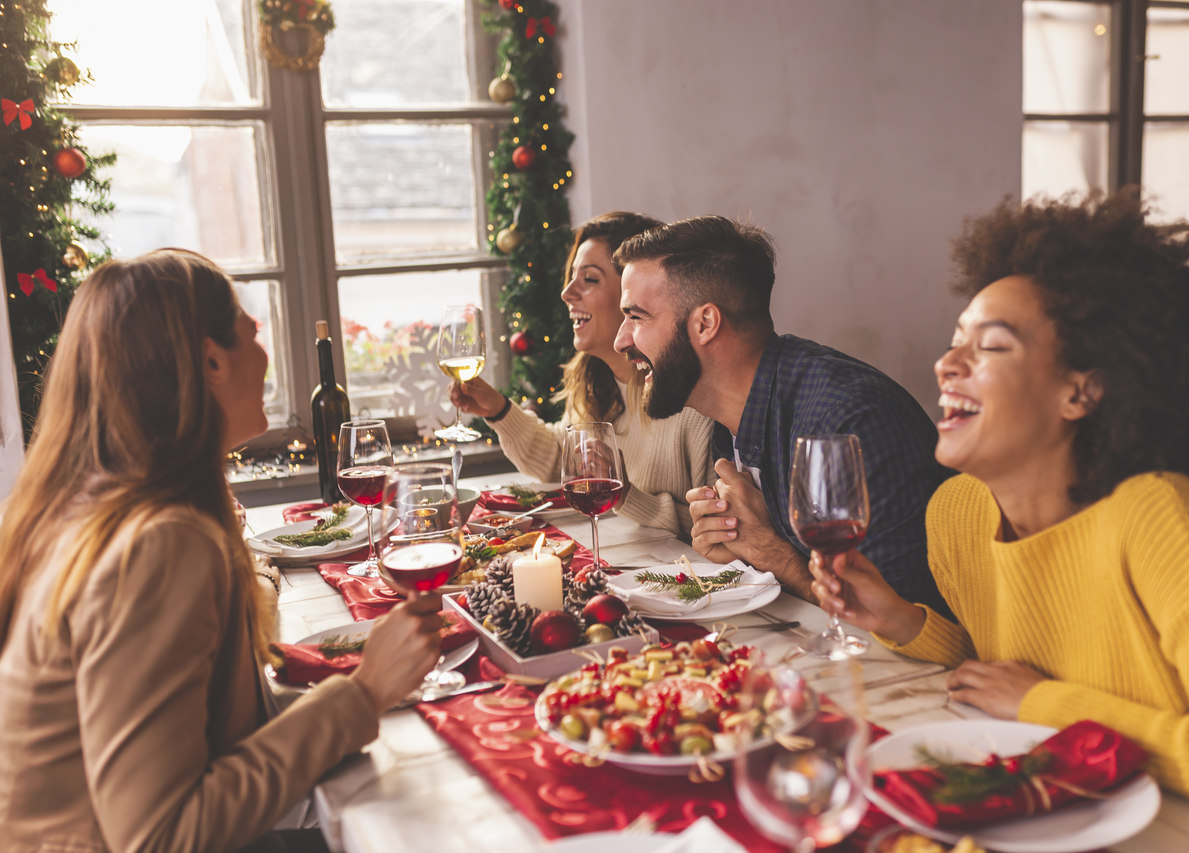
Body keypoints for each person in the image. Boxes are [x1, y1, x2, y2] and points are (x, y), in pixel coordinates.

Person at [811, 190, 1189, 827]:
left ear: (1080, 392)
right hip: (1056, 815)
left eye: (992, 347)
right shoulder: (958, 512)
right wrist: (902, 621)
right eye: (956, 342)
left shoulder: (1158, 517)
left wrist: (1050, 706)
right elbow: (1002, 674)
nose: (947, 364)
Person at [0, 250, 446, 851]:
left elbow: (208, 729)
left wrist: (368, 696)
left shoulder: (100, 510)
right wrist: (362, 693)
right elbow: (162, 835)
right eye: (251, 332)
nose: (264, 353)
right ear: (211, 360)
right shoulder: (157, 543)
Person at [611, 215, 951, 611]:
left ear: (705, 323)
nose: (621, 340)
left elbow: (904, 623)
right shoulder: (728, 419)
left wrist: (770, 554)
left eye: (636, 316)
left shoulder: (847, 423)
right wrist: (743, 554)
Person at [450, 212, 714, 539]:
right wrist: (499, 410)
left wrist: (625, 494)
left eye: (589, 279)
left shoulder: (689, 402)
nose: (566, 293)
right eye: (572, 276)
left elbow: (714, 530)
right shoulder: (594, 380)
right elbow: (562, 459)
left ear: (633, 293)